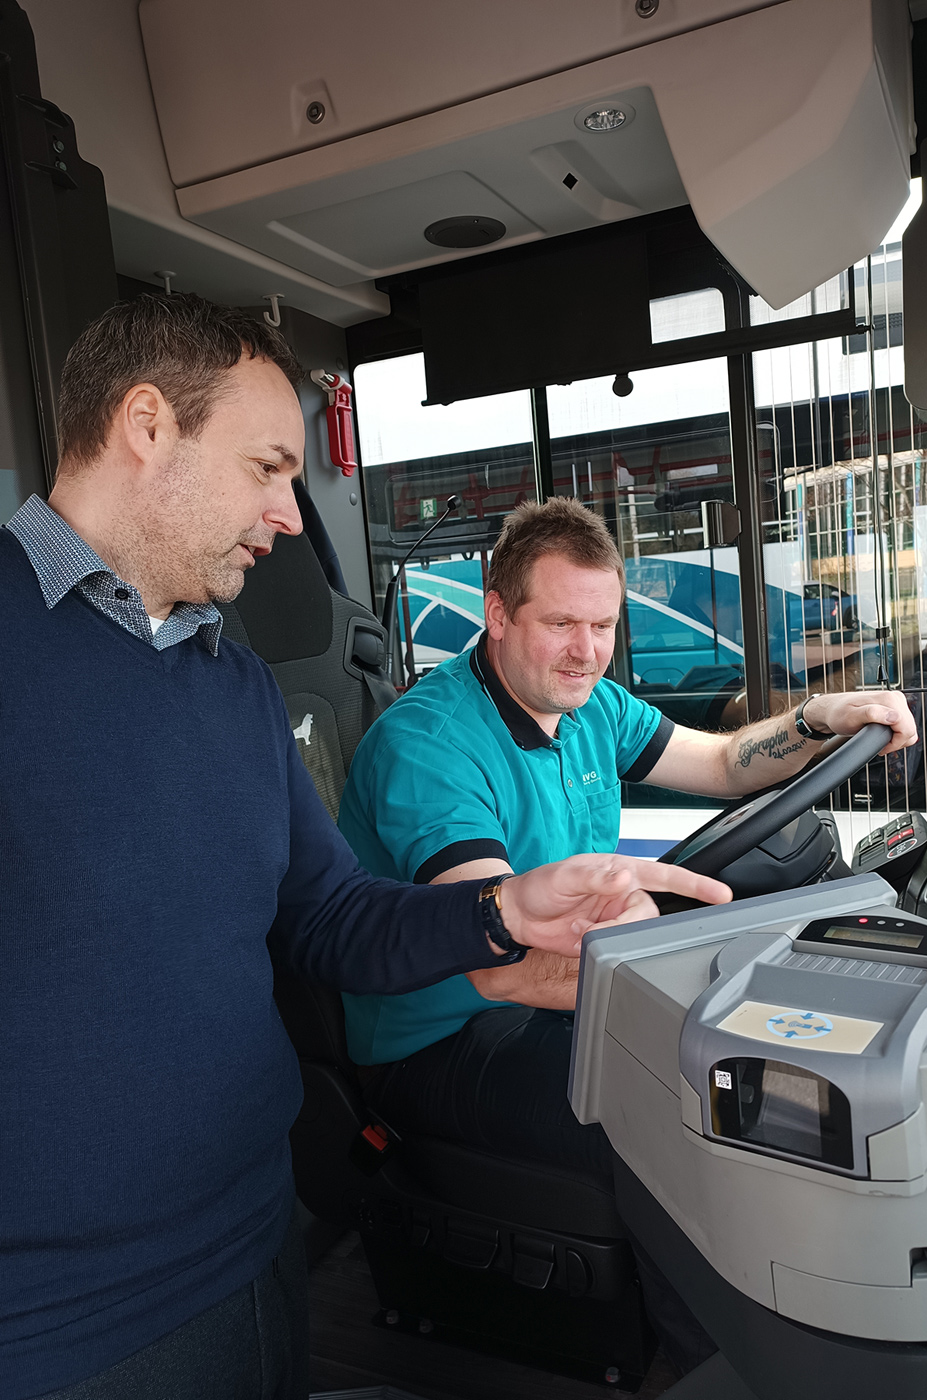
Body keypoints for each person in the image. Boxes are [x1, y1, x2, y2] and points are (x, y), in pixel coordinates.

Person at [0, 295, 718, 1400]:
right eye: (268, 468)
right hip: (61, 1325)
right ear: (147, 425)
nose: (291, 516)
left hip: (256, 1239)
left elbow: (332, 918)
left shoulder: (230, 680)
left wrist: (503, 911)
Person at [338, 497, 917, 1370]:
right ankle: (710, 1371)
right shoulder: (429, 747)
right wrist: (703, 983)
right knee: (680, 1107)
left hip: (561, 990)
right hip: (442, 1038)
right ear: (497, 614)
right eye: (561, 624)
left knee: (742, 1074)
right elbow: (503, 966)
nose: (587, 649)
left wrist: (815, 720)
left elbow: (720, 763)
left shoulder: (591, 708)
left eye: (604, 625)